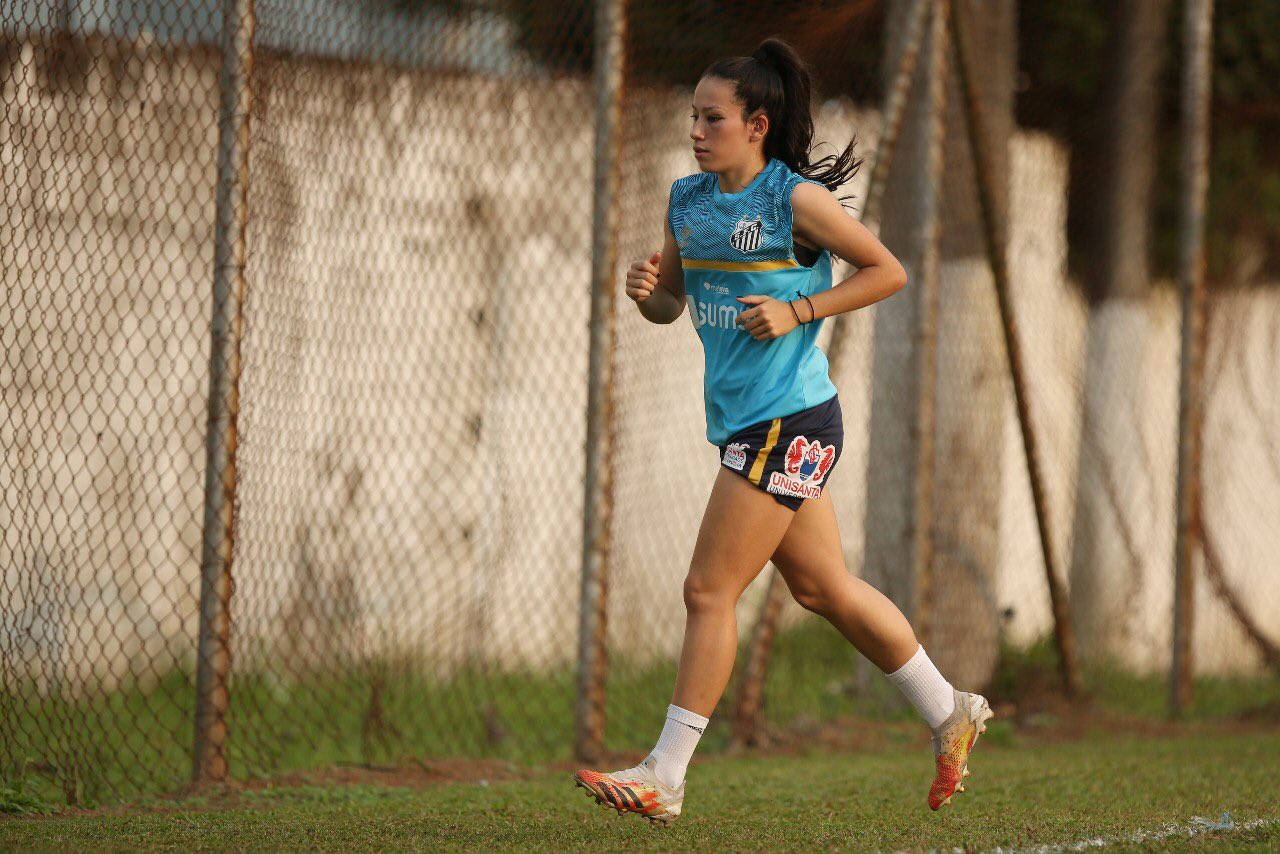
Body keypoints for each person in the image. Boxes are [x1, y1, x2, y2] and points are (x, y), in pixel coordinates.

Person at [573, 37, 992, 826]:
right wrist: (647, 296)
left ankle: (666, 774)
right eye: (694, 116)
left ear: (757, 124)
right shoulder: (687, 202)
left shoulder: (792, 201)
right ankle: (949, 711)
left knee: (708, 588)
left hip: (789, 419)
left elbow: (887, 271)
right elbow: (671, 305)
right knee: (820, 587)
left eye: (713, 118)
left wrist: (799, 309)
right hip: (747, 422)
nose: (696, 130)